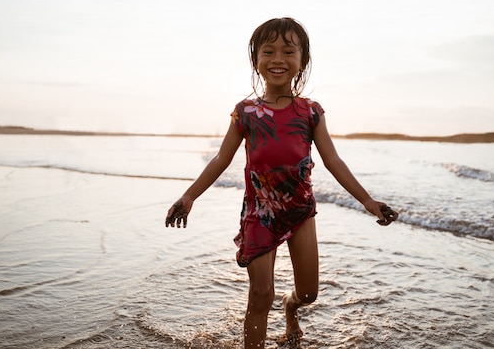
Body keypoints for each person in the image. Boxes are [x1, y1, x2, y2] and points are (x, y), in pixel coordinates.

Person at [165, 17, 398, 348]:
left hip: (300, 211)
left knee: (308, 293)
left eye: (288, 51)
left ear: (301, 60)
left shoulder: (311, 112)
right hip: (259, 213)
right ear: (255, 59)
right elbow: (221, 159)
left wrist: (368, 202)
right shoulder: (244, 112)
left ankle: (291, 310)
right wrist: (189, 197)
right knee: (261, 295)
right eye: (268, 51)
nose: (277, 59)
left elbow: (333, 161)